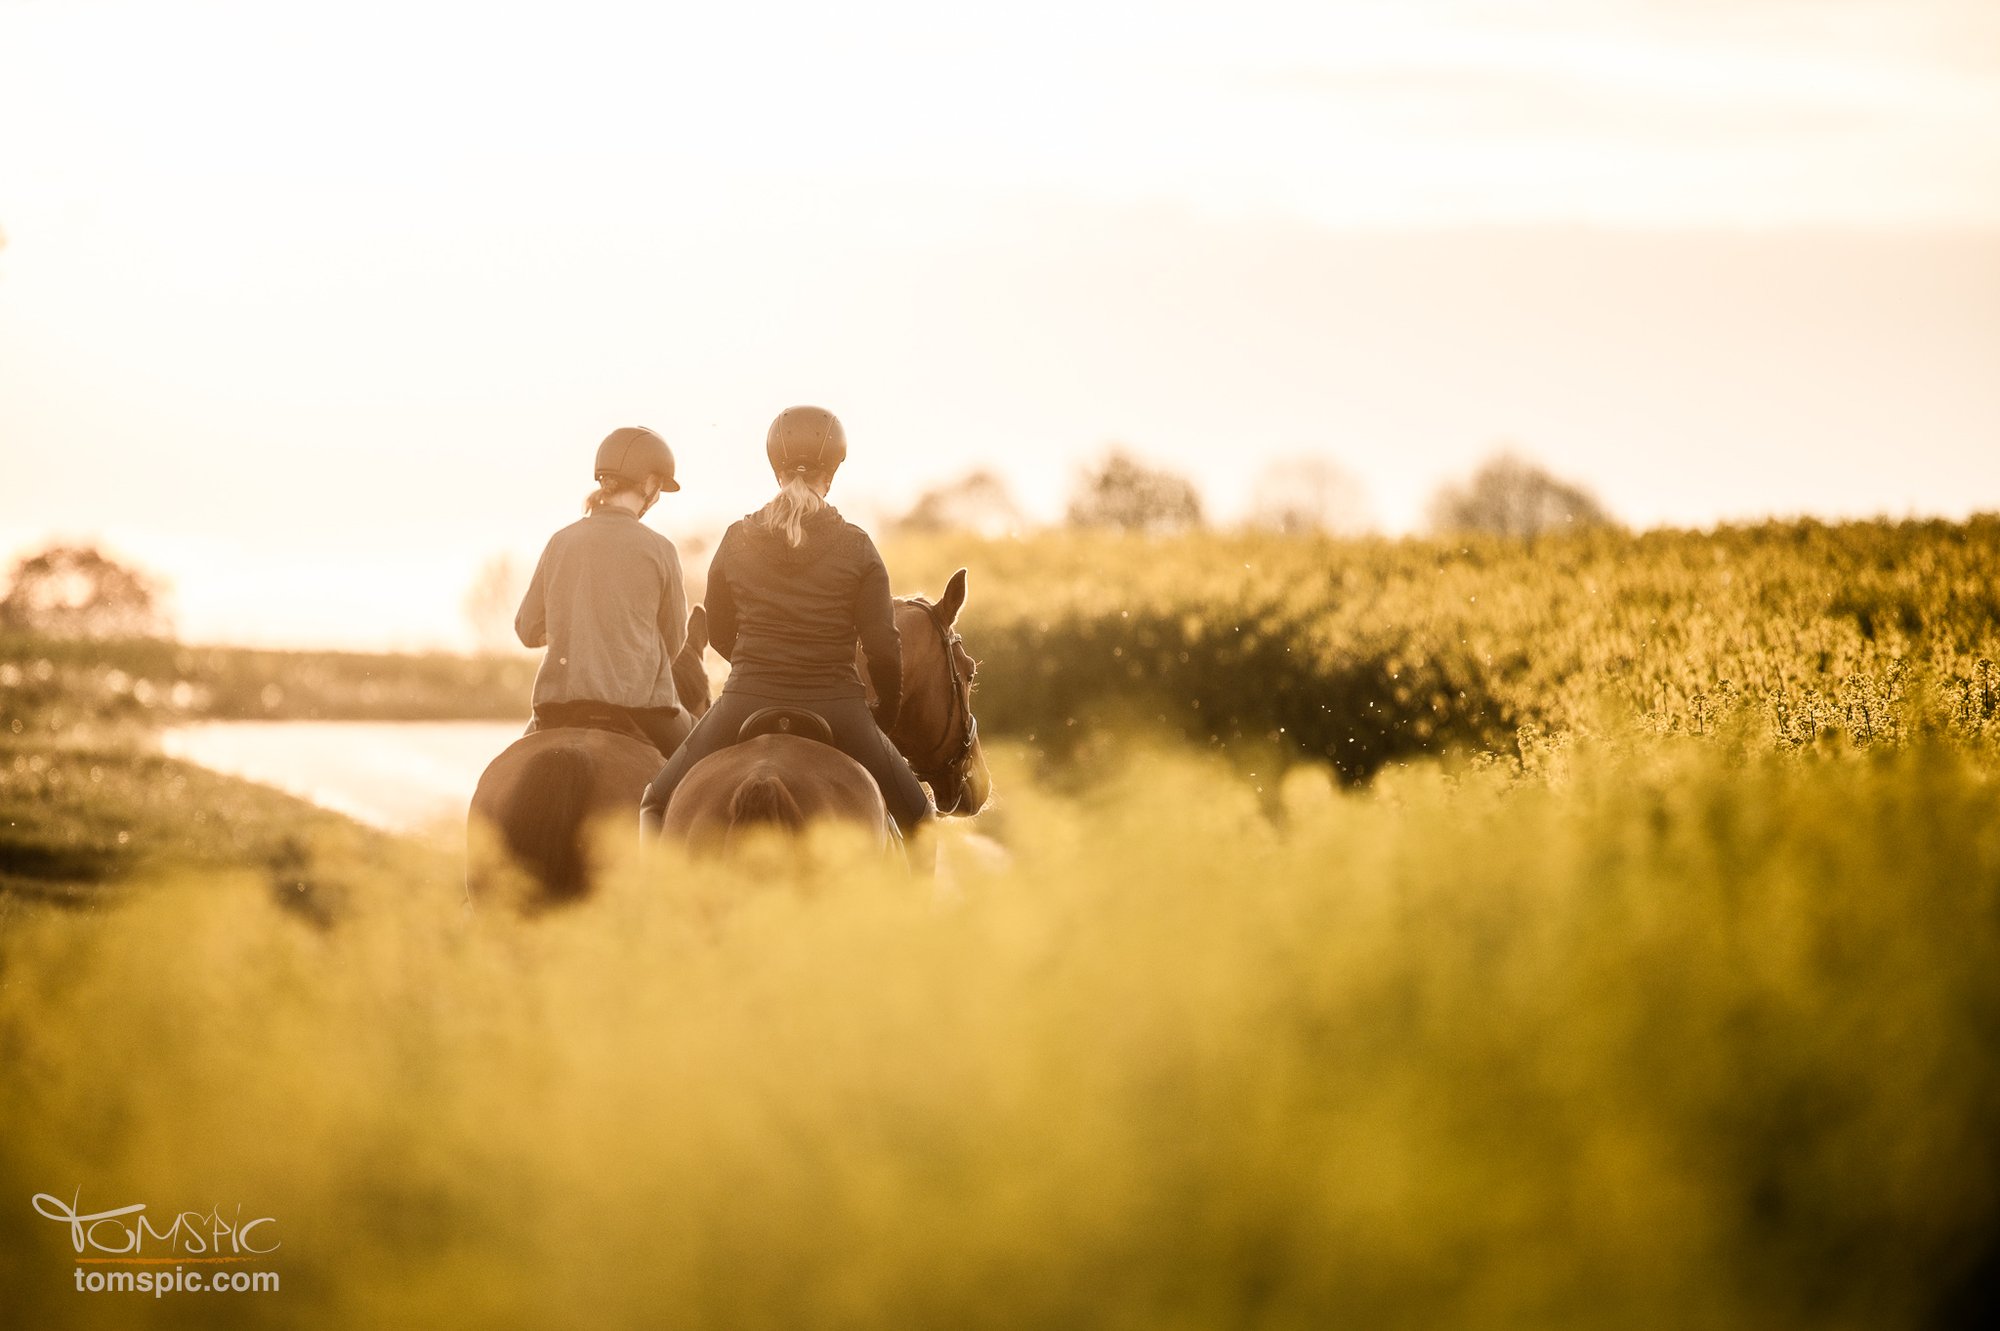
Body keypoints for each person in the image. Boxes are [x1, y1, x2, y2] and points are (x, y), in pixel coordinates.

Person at [639, 405, 933, 840]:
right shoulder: (858, 546)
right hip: (837, 705)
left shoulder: (738, 538)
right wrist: (881, 714)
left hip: (745, 697)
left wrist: (753, 668)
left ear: (774, 468)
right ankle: (915, 913)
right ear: (832, 472)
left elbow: (720, 630)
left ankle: (651, 907)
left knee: (655, 802)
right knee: (921, 818)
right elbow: (883, 648)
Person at [516, 426, 692, 759]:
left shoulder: (560, 541)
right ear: (650, 483)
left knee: (506, 774)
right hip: (641, 706)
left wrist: (573, 636)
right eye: (659, 487)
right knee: (700, 771)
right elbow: (674, 641)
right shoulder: (661, 549)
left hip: (557, 707)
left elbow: (527, 629)